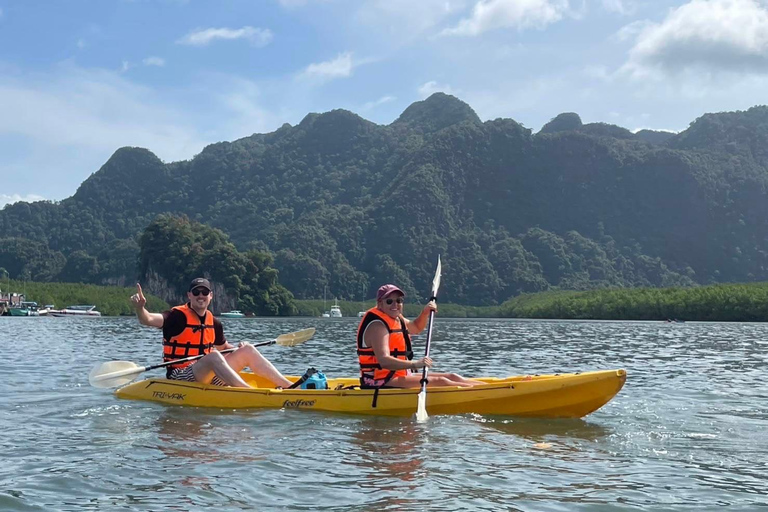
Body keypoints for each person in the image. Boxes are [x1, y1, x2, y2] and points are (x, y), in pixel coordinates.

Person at [130, 278, 292, 389]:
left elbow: (224, 347)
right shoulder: (176, 316)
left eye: (204, 292)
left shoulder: (213, 322)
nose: (201, 296)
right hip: (181, 375)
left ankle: (289, 387)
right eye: (196, 292)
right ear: (189, 295)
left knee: (248, 349)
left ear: (211, 296)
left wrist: (239, 347)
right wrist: (140, 309)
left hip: (208, 374)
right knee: (213, 356)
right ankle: (247, 391)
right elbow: (149, 319)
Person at [356, 284, 483, 389]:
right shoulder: (378, 325)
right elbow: (384, 361)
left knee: (453, 376)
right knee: (442, 382)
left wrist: (425, 312)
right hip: (379, 380)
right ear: (380, 304)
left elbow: (416, 328)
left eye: (399, 301)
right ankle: (484, 393)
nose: (395, 305)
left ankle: (496, 388)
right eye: (389, 301)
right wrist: (415, 364)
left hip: (397, 374)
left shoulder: (396, 318)